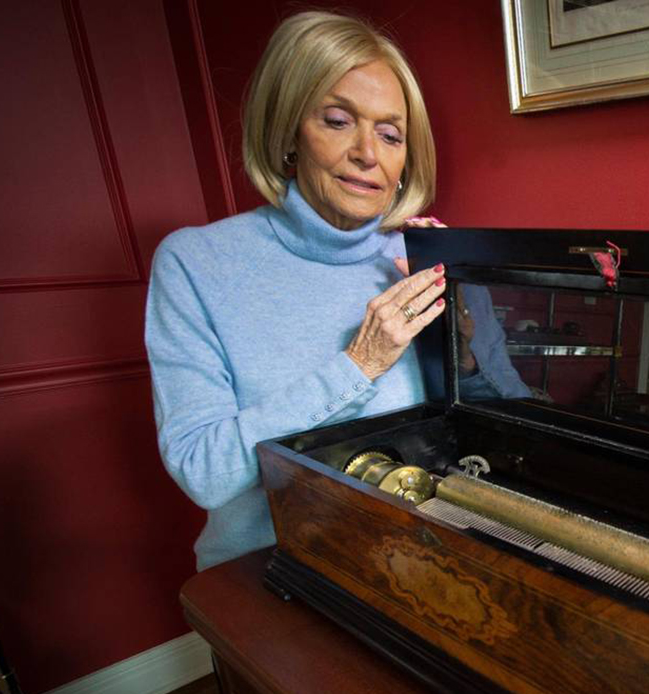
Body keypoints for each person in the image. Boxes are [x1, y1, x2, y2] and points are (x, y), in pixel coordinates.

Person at [145, 11, 527, 574]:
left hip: (428, 553)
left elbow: (515, 433)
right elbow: (205, 473)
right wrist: (360, 363)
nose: (368, 153)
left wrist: (464, 356)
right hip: (274, 567)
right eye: (337, 120)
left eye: (391, 134)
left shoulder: (430, 260)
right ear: (287, 135)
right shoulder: (195, 263)